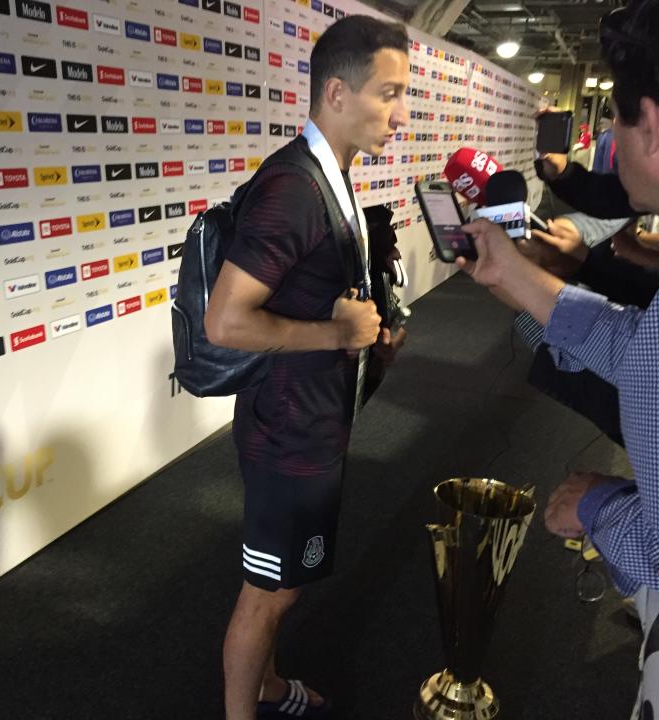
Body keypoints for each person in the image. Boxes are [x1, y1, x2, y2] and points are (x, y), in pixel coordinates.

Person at [459, 1, 659, 716]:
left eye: (617, 116)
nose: (610, 136)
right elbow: (647, 353)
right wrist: (519, 279)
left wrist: (600, 507)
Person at [203, 16, 409, 720]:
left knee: (284, 582)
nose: (401, 114)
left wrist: (364, 335)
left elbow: (322, 299)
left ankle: (266, 684)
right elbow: (226, 320)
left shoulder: (333, 176)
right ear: (336, 93)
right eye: (389, 93)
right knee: (269, 594)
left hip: (314, 422)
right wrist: (333, 332)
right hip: (287, 433)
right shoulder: (293, 187)